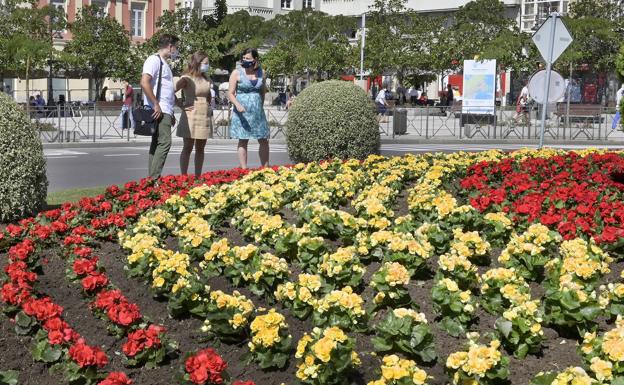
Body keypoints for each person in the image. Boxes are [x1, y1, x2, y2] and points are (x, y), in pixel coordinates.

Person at [140, 33, 179, 180]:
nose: (176, 51)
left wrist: (171, 111)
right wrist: (156, 103)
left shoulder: (163, 63)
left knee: (157, 143)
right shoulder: (154, 60)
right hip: (159, 109)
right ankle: (154, 178)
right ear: (170, 46)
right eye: (175, 47)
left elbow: (166, 90)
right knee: (165, 142)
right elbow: (144, 82)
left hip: (164, 109)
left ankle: (151, 179)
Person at [228, 48, 270, 169]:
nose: (245, 60)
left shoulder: (262, 72)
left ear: (255, 60)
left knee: (263, 139)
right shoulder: (236, 73)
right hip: (242, 112)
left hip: (257, 113)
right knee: (243, 139)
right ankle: (244, 169)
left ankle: (266, 168)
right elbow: (230, 93)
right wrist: (237, 105)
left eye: (248, 58)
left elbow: (262, 91)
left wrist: (260, 105)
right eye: (244, 58)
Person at [175, 51, 213, 177]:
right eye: (206, 63)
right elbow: (171, 91)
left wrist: (208, 107)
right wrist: (181, 105)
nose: (207, 65)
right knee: (188, 147)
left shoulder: (206, 78)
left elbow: (208, 96)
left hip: (204, 116)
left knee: (201, 149)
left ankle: (198, 176)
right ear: (197, 62)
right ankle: (184, 176)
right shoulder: (187, 77)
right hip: (190, 115)